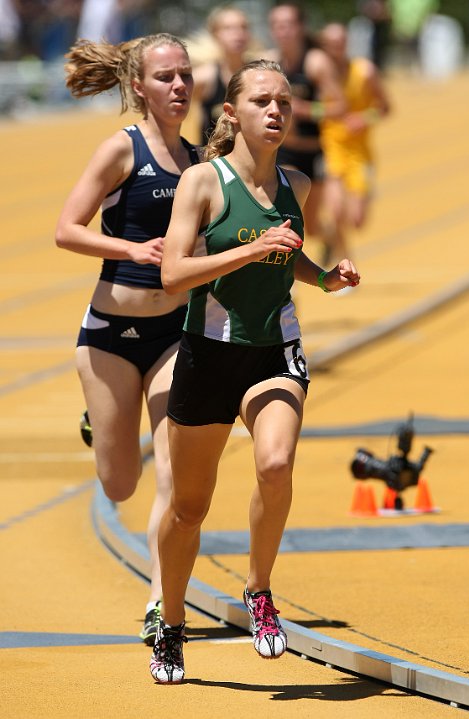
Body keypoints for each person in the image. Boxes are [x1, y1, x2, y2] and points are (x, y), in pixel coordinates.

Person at [149, 58, 360, 684]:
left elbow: (287, 260)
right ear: (231, 113)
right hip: (208, 351)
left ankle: (259, 591)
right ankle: (173, 620)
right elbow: (172, 275)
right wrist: (250, 248)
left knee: (275, 464)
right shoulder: (202, 184)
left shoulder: (296, 180)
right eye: (263, 101)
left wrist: (323, 278)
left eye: (285, 103)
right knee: (189, 509)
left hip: (275, 349)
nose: (276, 112)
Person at [55, 33, 201, 646]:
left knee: (174, 476)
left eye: (185, 75)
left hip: (174, 334)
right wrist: (131, 248)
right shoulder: (122, 149)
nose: (179, 87)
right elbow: (67, 229)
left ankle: (158, 603)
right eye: (165, 77)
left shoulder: (199, 160)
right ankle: (98, 417)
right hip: (111, 336)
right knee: (120, 483)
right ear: (138, 86)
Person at [266, 3, 346, 257]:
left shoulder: (315, 62)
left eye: (288, 25)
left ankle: (331, 239)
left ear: (300, 27)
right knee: (284, 209)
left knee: (313, 226)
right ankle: (284, 270)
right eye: (277, 25)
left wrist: (307, 110)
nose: (283, 31)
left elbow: (340, 106)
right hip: (286, 152)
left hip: (315, 152)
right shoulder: (271, 62)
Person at [319, 22, 391, 262]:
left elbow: (385, 108)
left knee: (357, 220)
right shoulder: (319, 73)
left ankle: (331, 237)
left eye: (340, 42)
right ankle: (344, 259)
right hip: (331, 149)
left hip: (360, 153)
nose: (336, 48)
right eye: (330, 44)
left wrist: (364, 118)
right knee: (335, 211)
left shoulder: (365, 71)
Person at [189, 5, 257, 144]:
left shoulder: (260, 75)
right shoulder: (204, 78)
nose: (238, 34)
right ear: (215, 34)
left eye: (243, 27)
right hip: (213, 161)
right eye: (229, 28)